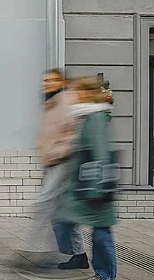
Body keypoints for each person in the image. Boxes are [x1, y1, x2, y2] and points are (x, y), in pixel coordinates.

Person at [15, 69, 86, 273]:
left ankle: (34, 251)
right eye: (45, 80)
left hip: (62, 162)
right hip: (52, 162)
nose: (46, 83)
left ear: (61, 82)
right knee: (61, 212)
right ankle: (79, 255)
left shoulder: (67, 102)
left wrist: (56, 151)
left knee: (43, 204)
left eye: (51, 80)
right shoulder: (50, 103)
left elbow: (72, 135)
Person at [54, 76, 117, 280]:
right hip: (84, 183)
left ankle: (106, 275)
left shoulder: (95, 117)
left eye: (78, 91)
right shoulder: (83, 115)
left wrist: (98, 189)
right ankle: (94, 267)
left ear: (89, 93)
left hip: (94, 186)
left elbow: (100, 153)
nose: (75, 94)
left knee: (101, 233)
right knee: (92, 229)